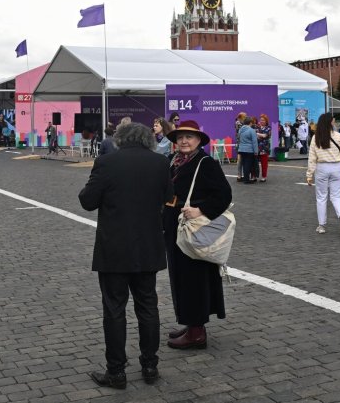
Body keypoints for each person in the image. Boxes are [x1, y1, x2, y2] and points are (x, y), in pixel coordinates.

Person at [78, 123, 174, 389]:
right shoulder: (160, 163)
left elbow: (87, 201)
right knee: (148, 307)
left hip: (115, 249)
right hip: (148, 247)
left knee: (114, 310)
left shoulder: (107, 162)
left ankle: (116, 371)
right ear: (148, 140)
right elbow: (168, 197)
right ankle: (150, 365)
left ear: (119, 139)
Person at [162, 120, 231, 350]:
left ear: (199, 140)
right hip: (175, 224)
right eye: (180, 137)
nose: (184, 141)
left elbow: (224, 195)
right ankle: (190, 321)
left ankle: (197, 332)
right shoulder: (174, 161)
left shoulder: (206, 162)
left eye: (189, 137)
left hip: (195, 227)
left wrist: (200, 210)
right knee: (180, 276)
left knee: (194, 278)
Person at [306, 113, 340, 235]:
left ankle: (321, 225)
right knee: (336, 196)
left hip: (322, 168)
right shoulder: (339, 136)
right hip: (337, 168)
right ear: (330, 122)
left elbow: (312, 158)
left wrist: (309, 174)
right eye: (333, 121)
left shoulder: (316, 137)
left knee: (321, 197)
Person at [236, 117, 258, 184]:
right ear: (250, 123)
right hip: (249, 150)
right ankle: (246, 180)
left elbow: (238, 139)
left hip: (241, 150)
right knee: (248, 165)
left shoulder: (240, 130)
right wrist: (256, 151)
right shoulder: (252, 130)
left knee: (244, 164)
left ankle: (245, 178)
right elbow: (254, 142)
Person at [256, 114, 272, 182]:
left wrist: (257, 134)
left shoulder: (269, 128)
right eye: (261, 120)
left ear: (266, 121)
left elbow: (265, 135)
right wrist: (260, 135)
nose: (261, 121)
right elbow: (259, 136)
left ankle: (264, 177)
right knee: (255, 163)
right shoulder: (257, 128)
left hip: (264, 148)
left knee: (264, 164)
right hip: (256, 148)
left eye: (263, 120)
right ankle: (254, 176)